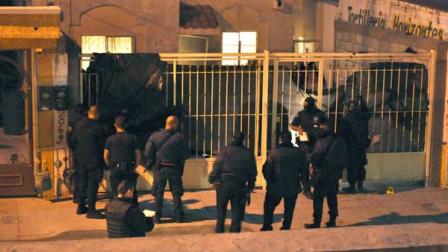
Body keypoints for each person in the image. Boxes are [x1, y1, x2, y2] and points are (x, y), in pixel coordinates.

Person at [260, 131, 310, 231]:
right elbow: (305, 171)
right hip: (292, 185)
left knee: (269, 206)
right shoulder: (299, 152)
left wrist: (269, 181)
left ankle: (267, 225)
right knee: (289, 208)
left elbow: (266, 169)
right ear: (291, 139)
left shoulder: (274, 152)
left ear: (280, 139)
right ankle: (286, 226)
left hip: (276, 185)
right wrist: (306, 187)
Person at [208, 132, 257, 233]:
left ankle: (219, 231)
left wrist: (212, 179)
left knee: (221, 211)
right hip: (240, 184)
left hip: (224, 184)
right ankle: (234, 233)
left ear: (232, 138)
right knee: (237, 212)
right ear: (243, 140)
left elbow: (218, 166)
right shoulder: (248, 153)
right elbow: (252, 172)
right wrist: (251, 185)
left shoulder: (225, 151)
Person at [305, 115, 347, 229]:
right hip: (334, 173)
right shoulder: (338, 139)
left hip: (322, 173)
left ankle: (317, 221)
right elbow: (344, 157)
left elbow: (315, 157)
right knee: (332, 197)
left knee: (318, 198)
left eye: (318, 126)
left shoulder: (322, 141)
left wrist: (308, 154)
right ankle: (332, 220)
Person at [144, 115, 186, 223]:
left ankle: (157, 216)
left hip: (160, 168)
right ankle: (179, 216)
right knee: (176, 193)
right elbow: (185, 154)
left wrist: (151, 162)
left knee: (158, 192)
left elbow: (148, 152)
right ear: (174, 123)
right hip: (174, 168)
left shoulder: (154, 136)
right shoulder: (179, 137)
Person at [70, 106, 107, 219]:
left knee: (82, 182)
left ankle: (81, 206)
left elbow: (73, 141)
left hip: (80, 159)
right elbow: (104, 144)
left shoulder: (78, 125)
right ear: (96, 114)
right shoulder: (99, 127)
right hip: (94, 159)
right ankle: (91, 209)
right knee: (93, 184)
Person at [104, 115, 141, 203]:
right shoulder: (132, 138)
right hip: (129, 167)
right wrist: (135, 166)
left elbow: (105, 156)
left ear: (115, 125)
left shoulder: (110, 139)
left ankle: (117, 210)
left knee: (116, 192)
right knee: (130, 190)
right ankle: (131, 209)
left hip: (115, 167)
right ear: (126, 125)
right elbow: (138, 154)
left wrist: (110, 166)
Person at [340, 96, 370, 193]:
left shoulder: (346, 119)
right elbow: (367, 111)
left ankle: (352, 187)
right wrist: (363, 100)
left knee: (351, 167)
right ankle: (360, 186)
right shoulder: (363, 117)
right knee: (361, 166)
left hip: (351, 146)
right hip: (362, 146)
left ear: (349, 108)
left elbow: (343, 134)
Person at [67, 104, 87, 204]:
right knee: (84, 176)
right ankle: (82, 196)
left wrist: (72, 150)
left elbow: (70, 139)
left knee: (78, 175)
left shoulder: (72, 123)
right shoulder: (85, 123)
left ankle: (77, 196)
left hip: (76, 152)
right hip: (85, 152)